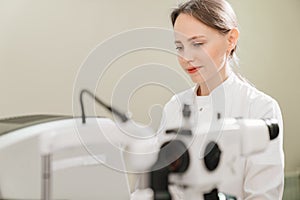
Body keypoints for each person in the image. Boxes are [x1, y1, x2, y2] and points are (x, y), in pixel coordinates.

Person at [159, 0, 284, 199]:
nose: (186, 57)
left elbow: (262, 195)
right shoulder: (174, 107)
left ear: (231, 39)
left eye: (197, 44)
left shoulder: (260, 108)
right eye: (179, 47)